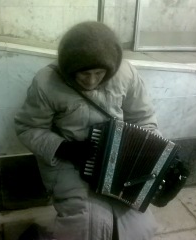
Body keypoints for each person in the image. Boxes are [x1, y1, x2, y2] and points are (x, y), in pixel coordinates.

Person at [14, 21, 160, 240]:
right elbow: (28, 127)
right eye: (83, 74)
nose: (91, 81)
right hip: (69, 163)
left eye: (99, 73)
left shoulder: (126, 73)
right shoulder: (46, 82)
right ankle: (42, 235)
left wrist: (144, 155)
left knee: (140, 230)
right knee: (87, 227)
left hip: (118, 162)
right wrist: (64, 148)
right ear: (69, 68)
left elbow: (144, 118)